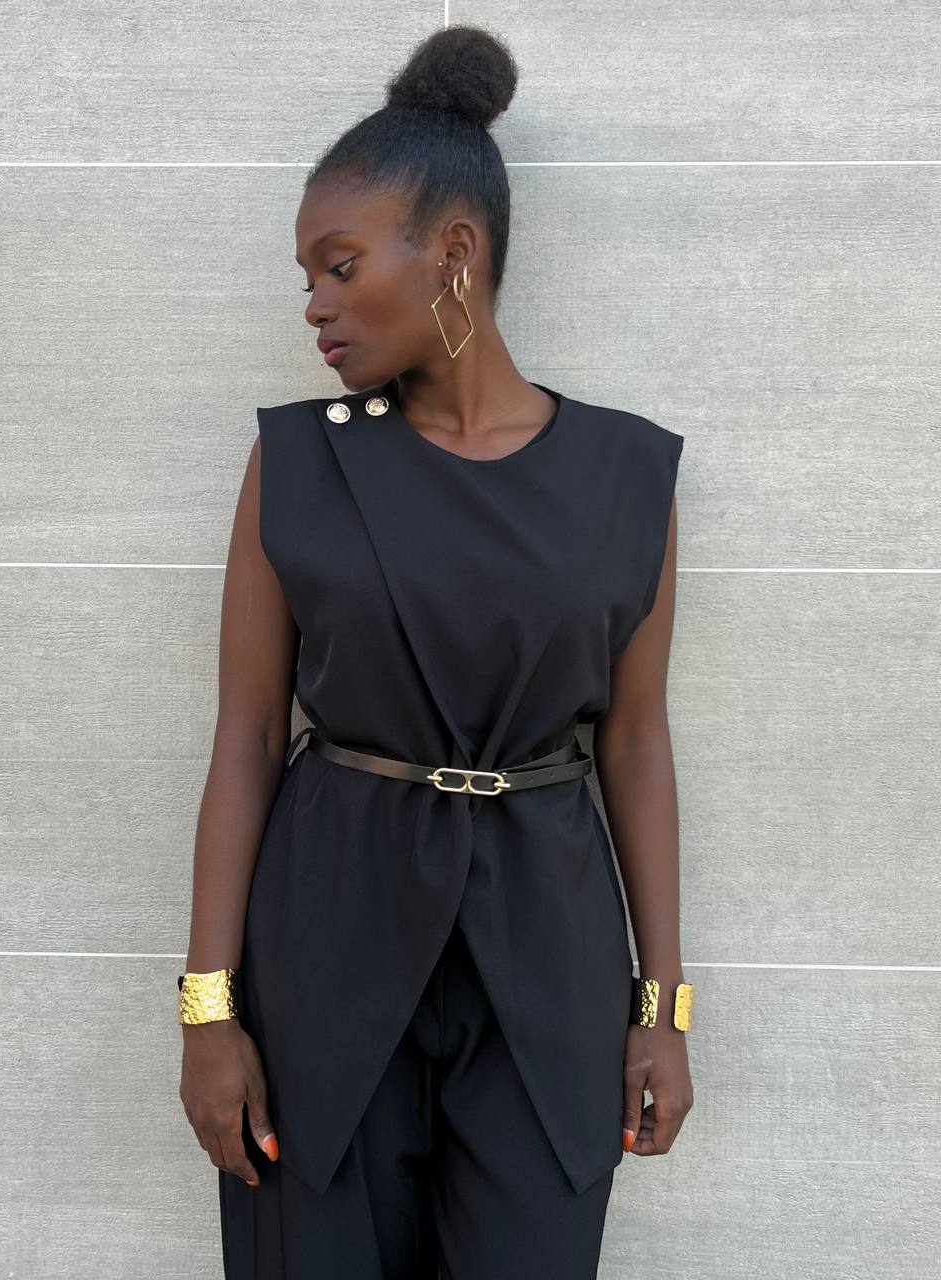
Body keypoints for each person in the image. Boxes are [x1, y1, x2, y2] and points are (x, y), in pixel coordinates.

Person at [177, 23, 694, 1280]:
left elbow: (635, 742)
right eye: (308, 273)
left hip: (550, 958)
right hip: (324, 943)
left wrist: (662, 1004)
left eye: (340, 263)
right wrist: (207, 1008)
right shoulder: (297, 463)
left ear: (454, 252)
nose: (313, 302)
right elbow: (246, 737)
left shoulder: (628, 474)